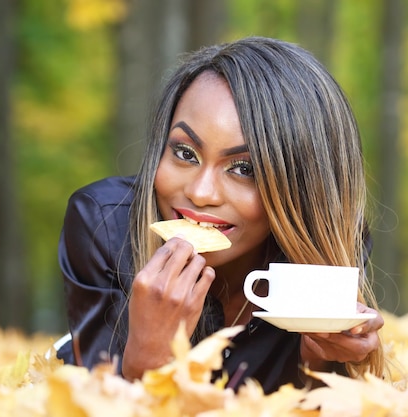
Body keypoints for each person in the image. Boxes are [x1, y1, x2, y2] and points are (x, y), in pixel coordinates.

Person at [57, 36, 385, 393]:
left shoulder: (326, 245)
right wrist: (147, 359)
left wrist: (322, 361)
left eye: (244, 169)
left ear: (302, 191)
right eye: (184, 153)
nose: (200, 192)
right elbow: (88, 401)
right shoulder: (103, 226)